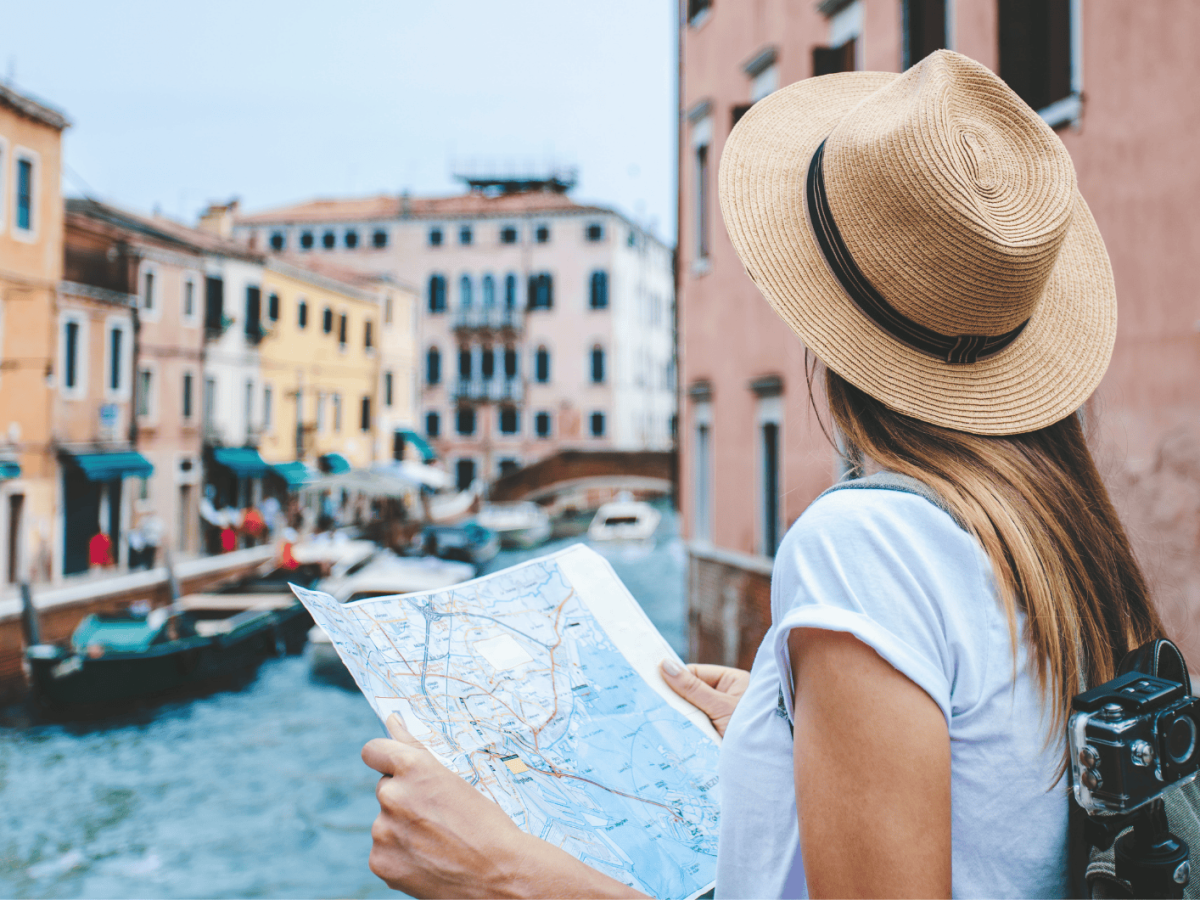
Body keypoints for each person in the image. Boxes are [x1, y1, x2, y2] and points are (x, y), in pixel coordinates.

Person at [360, 51, 1165, 898]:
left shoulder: (866, 545)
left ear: (823, 314)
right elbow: (993, 785)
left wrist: (502, 873)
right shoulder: (1055, 525)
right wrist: (778, 725)